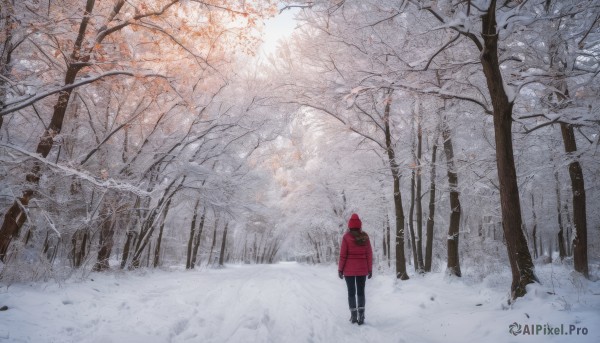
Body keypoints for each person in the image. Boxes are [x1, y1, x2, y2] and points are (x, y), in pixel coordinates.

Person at [338, 213, 373, 325]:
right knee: (361, 292)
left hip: (348, 270)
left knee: (351, 292)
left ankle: (353, 316)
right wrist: (370, 269)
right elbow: (369, 254)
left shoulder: (346, 237)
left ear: (349, 225)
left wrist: (340, 269)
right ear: (359, 225)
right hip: (362, 270)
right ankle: (361, 315)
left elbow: (343, 255)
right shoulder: (365, 236)